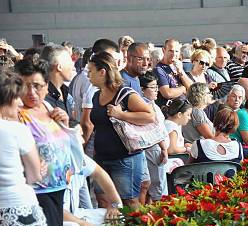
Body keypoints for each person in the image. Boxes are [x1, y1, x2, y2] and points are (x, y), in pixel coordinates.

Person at [15, 58, 73, 226]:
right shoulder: (16, 114)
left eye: (37, 86)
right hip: (37, 189)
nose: (31, 92)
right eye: (24, 86)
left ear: (46, 86)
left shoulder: (48, 106)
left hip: (58, 186)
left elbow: (65, 140)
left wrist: (64, 122)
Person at [88, 51, 155, 209]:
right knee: (103, 200)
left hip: (125, 158)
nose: (88, 75)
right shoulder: (96, 96)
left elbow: (149, 116)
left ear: (102, 72)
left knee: (130, 201)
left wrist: (121, 114)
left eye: (91, 71)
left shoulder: (124, 93)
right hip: (101, 157)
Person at [0, 69, 46, 226]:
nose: (20, 103)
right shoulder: (16, 130)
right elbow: (35, 175)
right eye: (16, 97)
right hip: (17, 213)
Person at [139, 72, 170, 202]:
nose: (156, 90)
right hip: (154, 148)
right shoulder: (145, 105)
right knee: (158, 189)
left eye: (157, 86)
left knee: (152, 187)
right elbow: (155, 129)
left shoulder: (152, 103)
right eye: (152, 87)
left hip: (155, 147)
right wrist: (163, 149)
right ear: (142, 89)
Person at [40, 44, 77, 126]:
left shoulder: (65, 91)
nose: (73, 65)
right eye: (70, 61)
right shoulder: (42, 97)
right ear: (59, 67)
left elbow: (69, 121)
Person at [154, 38, 193, 107]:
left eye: (176, 51)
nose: (174, 54)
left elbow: (192, 88)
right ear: (164, 50)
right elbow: (167, 93)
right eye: (170, 51)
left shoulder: (178, 66)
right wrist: (183, 88)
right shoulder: (158, 69)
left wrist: (181, 72)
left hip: (184, 106)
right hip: (171, 109)